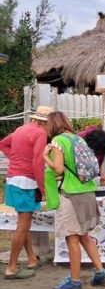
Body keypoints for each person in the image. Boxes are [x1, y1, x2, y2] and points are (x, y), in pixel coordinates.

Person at [42, 111, 105, 289]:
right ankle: (101, 273)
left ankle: (75, 282)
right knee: (84, 236)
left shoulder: (58, 141)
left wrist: (45, 157)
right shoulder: (78, 139)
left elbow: (57, 168)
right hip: (87, 191)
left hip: (70, 194)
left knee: (72, 238)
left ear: (52, 124)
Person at [0, 106, 51, 279]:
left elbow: (3, 144)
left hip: (13, 178)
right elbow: (38, 163)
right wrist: (44, 189)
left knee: (24, 223)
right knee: (22, 226)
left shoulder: (20, 129)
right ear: (47, 122)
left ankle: (31, 259)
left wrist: (15, 158)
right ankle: (12, 267)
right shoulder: (40, 134)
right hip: (27, 182)